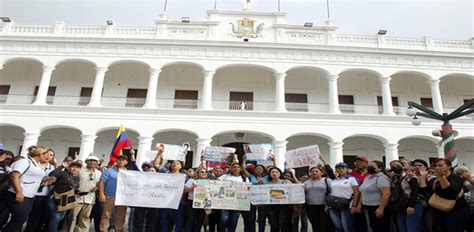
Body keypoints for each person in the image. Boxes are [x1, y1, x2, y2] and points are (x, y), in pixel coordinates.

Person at [3, 146, 50, 232]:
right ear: (40, 154)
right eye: (45, 154)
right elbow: (14, 176)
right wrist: (19, 192)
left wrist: (45, 181)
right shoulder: (24, 162)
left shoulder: (37, 164)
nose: (48, 157)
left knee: (20, 220)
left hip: (29, 196)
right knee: (18, 219)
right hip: (19, 194)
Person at [430, 158, 469, 232]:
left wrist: (441, 177)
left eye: (440, 165)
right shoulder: (434, 180)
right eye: (435, 166)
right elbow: (426, 191)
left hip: (456, 211)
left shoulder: (455, 178)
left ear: (449, 166)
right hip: (439, 211)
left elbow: (451, 192)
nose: (437, 167)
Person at [25, 148, 56, 232]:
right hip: (31, 192)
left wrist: (49, 182)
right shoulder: (35, 164)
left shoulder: (52, 167)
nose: (48, 156)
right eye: (47, 154)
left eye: (51, 155)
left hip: (43, 194)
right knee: (26, 214)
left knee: (38, 215)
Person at [47, 160, 82, 232]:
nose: (75, 169)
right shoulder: (63, 173)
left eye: (77, 167)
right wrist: (62, 166)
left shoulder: (77, 178)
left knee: (60, 218)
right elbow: (51, 174)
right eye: (73, 167)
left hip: (66, 200)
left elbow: (73, 188)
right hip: (55, 198)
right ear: (69, 167)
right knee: (55, 217)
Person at [69, 155, 101, 232]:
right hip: (77, 196)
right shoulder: (80, 170)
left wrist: (97, 187)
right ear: (86, 162)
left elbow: (100, 183)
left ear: (97, 163)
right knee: (72, 216)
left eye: (94, 161)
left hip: (90, 198)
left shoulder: (99, 173)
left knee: (85, 217)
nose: (92, 162)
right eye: (90, 160)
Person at [98, 155, 130, 232]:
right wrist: (101, 194)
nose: (121, 161)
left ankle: (119, 230)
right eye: (119, 159)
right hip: (110, 196)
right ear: (116, 160)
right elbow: (102, 182)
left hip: (122, 198)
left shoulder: (128, 173)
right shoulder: (109, 171)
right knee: (106, 215)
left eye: (123, 160)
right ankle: (103, 230)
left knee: (121, 216)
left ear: (126, 162)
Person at [358, 160, 391, 232]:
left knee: (381, 228)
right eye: (369, 166)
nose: (369, 167)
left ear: (380, 168)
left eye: (372, 166)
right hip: (368, 207)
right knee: (373, 227)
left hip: (377, 207)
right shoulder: (368, 177)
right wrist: (359, 204)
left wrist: (381, 208)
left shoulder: (381, 178)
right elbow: (363, 191)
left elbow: (386, 194)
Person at [327, 162, 360, 232]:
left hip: (346, 206)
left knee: (346, 226)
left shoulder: (352, 179)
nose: (341, 170)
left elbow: (357, 193)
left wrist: (354, 206)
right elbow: (331, 192)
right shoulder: (334, 179)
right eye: (339, 168)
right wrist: (327, 204)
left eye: (343, 168)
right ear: (336, 170)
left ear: (347, 169)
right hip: (333, 205)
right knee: (337, 226)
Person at [218, 162, 249, 232]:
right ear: (231, 168)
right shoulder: (225, 176)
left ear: (240, 169)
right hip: (224, 202)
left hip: (237, 203)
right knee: (223, 219)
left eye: (238, 167)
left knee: (233, 220)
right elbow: (216, 184)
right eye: (234, 167)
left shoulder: (244, 179)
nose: (236, 168)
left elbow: (247, 190)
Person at [266, 167, 292, 232]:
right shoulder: (266, 184)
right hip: (271, 207)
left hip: (284, 206)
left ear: (280, 174)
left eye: (276, 172)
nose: (274, 173)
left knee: (284, 224)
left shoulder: (286, 182)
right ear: (270, 174)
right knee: (273, 224)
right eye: (272, 172)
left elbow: (293, 191)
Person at [184, 167, 209, 232]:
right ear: (197, 173)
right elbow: (185, 190)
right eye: (202, 172)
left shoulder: (209, 182)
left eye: (205, 172)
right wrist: (193, 188)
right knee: (190, 219)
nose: (204, 173)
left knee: (200, 220)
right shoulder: (191, 180)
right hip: (191, 202)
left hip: (203, 203)